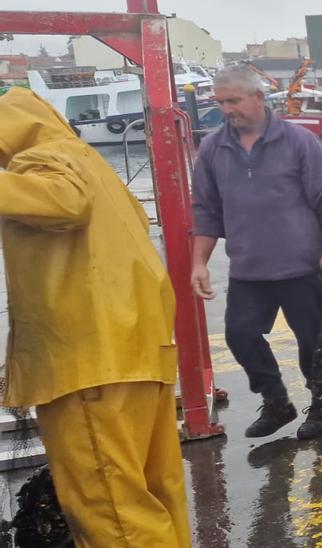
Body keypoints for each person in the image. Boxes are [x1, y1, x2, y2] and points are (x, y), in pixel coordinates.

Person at [0, 88, 191, 547]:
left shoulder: (42, 161)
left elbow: (65, 202)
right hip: (138, 352)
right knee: (155, 492)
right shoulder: (94, 166)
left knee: (112, 511)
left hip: (89, 363)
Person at [191, 64, 322, 440]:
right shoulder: (213, 147)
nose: (227, 109)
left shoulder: (299, 142)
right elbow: (206, 210)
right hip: (249, 270)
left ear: (259, 97)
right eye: (220, 102)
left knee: (313, 346)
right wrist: (199, 263)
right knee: (240, 336)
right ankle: (277, 401)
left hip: (304, 268)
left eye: (234, 100)